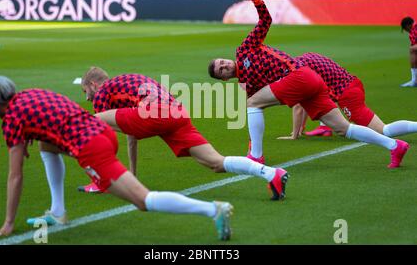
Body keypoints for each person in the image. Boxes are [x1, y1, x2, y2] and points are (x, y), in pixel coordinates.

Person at [0, 76, 233, 240]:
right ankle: (58, 212)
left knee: (142, 200)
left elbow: (15, 174)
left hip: (91, 146)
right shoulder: (32, 92)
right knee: (47, 146)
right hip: (101, 132)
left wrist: (9, 222)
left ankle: (213, 210)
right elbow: (57, 116)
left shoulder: (11, 118)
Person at [35, 69, 288, 218]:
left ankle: (98, 181)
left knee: (89, 123)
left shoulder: (103, 94)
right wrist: (132, 173)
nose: (87, 96)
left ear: (93, 84)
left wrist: (120, 175)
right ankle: (270, 174)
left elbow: (103, 136)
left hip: (155, 113)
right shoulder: (124, 83)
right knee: (215, 162)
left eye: (85, 91)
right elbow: (131, 133)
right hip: (176, 111)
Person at [208, 0, 409, 169]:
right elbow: (255, 115)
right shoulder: (248, 85)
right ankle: (394, 145)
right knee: (343, 129)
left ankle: (256, 157)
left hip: (298, 76)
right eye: (221, 69)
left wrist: (256, 0)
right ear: (225, 78)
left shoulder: (244, 50)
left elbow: (266, 21)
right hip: (307, 83)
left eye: (222, 62)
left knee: (252, 104)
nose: (224, 65)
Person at [278, 53, 417, 153]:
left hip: (347, 94)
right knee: (323, 98)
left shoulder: (297, 71)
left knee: (384, 130)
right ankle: (324, 127)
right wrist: (300, 128)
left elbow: (298, 106)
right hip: (353, 84)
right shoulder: (306, 57)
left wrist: (294, 135)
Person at [400, 17, 417, 87]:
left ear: (407, 26)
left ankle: (414, 80)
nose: (406, 31)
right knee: (413, 49)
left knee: (412, 49)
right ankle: (415, 80)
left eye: (405, 29)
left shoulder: (415, 28)